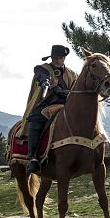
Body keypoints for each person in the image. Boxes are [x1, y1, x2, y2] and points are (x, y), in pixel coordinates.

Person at [20, 45, 78, 174]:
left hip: (68, 104)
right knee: (35, 119)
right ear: (52, 58)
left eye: (61, 58)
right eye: (56, 58)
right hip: (48, 102)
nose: (58, 60)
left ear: (64, 58)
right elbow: (42, 76)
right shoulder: (43, 69)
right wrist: (45, 83)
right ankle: (33, 157)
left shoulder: (72, 74)